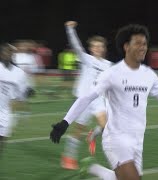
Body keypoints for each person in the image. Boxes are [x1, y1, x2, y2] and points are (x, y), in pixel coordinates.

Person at [49, 24, 158, 180]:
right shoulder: (112, 73)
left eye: (145, 44)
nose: (143, 47)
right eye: (138, 43)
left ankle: (95, 169)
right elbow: (87, 97)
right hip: (116, 138)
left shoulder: (148, 74)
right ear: (126, 46)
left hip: (137, 139)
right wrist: (65, 122)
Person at [60, 21, 113, 170]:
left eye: (100, 46)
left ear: (104, 49)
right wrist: (70, 29)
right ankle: (68, 157)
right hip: (84, 100)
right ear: (91, 48)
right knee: (77, 130)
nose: (97, 48)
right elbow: (75, 44)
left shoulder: (109, 65)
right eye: (95, 46)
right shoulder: (85, 59)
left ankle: (93, 135)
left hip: (99, 101)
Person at [0, 43, 31, 157]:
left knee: (3, 137)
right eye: (5, 52)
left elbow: (20, 95)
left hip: (5, 111)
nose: (7, 54)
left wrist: (27, 93)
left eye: (10, 52)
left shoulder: (19, 73)